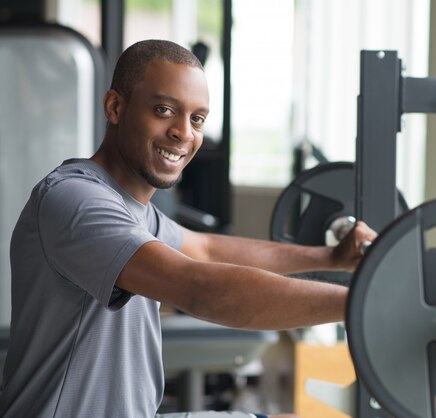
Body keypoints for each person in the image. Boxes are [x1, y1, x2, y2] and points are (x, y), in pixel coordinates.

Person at [0, 39, 376, 418]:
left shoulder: (133, 210)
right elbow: (199, 287)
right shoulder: (76, 201)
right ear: (115, 107)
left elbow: (208, 250)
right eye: (164, 110)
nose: (183, 132)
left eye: (197, 119)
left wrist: (332, 257)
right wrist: (362, 303)